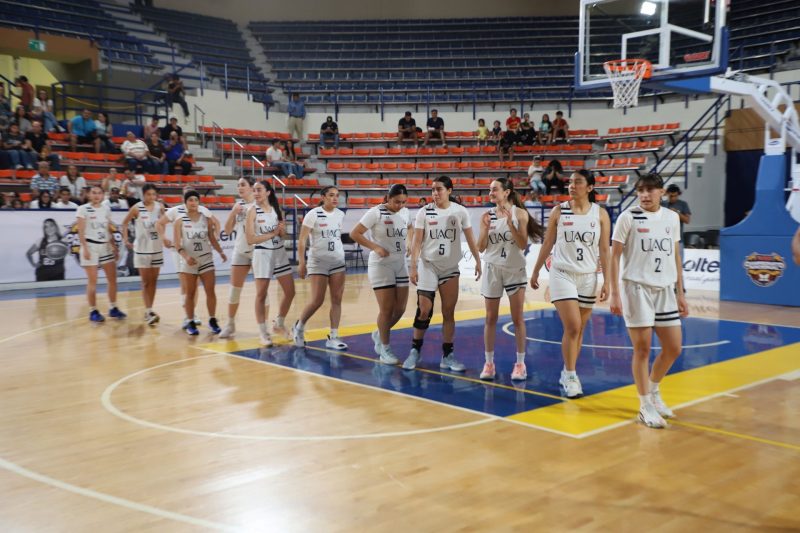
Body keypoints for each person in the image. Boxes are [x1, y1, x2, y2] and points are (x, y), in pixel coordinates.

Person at [609, 172, 688, 429]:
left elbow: (675, 255)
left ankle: (653, 391)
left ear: (661, 192)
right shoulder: (628, 217)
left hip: (665, 289)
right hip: (636, 288)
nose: (644, 195)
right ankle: (644, 406)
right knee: (642, 349)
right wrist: (614, 292)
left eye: (650, 190)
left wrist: (680, 292)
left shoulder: (672, 218)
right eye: (641, 190)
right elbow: (614, 256)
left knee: (673, 347)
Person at [530, 169, 611, 397]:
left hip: (588, 277)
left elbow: (605, 250)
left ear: (590, 187)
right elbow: (548, 243)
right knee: (573, 326)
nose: (572, 185)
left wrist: (607, 282)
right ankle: (572, 375)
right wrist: (535, 271)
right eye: (571, 182)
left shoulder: (600, 214)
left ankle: (567, 372)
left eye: (578, 182)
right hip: (562, 273)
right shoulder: (559, 211)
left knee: (579, 330)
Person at [403, 176, 482, 371]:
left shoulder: (460, 211)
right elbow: (417, 241)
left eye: (439, 189)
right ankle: (415, 351)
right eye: (432, 189)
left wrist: (478, 260)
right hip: (428, 265)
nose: (435, 193)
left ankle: (447, 356)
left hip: (450, 267)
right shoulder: (424, 212)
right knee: (424, 309)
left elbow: (470, 238)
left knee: (448, 312)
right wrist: (413, 266)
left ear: (449, 191)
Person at [478, 178, 544, 381]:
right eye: (490, 190)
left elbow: (523, 244)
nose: (490, 193)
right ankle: (489, 363)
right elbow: (480, 247)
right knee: (490, 318)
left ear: (506, 192)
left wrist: (510, 226)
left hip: (514, 269)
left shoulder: (520, 214)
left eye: (494, 189)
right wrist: (485, 230)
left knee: (517, 318)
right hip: (492, 268)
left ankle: (520, 364)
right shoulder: (486, 215)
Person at [350, 184, 413, 364]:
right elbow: (355, 233)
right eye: (396, 202)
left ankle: (379, 333)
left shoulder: (405, 212)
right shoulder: (375, 212)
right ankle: (384, 349)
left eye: (403, 202)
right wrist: (375, 247)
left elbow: (410, 228)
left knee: (400, 309)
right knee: (386, 310)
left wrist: (409, 241)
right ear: (388, 198)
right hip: (381, 265)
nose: (400, 205)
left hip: (400, 263)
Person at [291, 186, 349, 350]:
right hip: (318, 262)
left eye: (337, 195)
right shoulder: (313, 214)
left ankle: (333, 336)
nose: (335, 198)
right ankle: (299, 327)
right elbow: (302, 240)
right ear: (323, 197)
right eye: (331, 195)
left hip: (338, 261)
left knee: (337, 299)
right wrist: (301, 262)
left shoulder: (340, 214)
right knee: (317, 300)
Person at [245, 179, 295, 346]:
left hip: (279, 252)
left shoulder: (276, 209)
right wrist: (272, 234)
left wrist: (281, 232)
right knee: (261, 294)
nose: (256, 193)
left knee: (290, 291)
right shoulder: (252, 211)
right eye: (254, 190)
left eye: (259, 190)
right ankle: (263, 332)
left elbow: (282, 234)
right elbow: (250, 239)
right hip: (262, 253)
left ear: (268, 192)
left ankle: (279, 323)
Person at [155, 187, 213, 330]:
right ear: (184, 197)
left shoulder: (203, 211)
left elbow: (215, 224)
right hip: (180, 252)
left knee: (195, 285)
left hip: (198, 252)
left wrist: (213, 237)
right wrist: (163, 238)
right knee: (185, 284)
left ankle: (192, 314)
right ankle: (188, 317)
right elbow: (159, 223)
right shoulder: (175, 211)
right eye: (188, 195)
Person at [173, 190, 227, 335]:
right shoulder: (179, 221)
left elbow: (212, 238)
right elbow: (177, 244)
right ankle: (190, 321)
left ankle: (212, 320)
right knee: (190, 293)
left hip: (206, 258)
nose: (193, 202)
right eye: (190, 200)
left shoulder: (206, 219)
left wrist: (221, 252)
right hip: (189, 261)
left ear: (199, 202)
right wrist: (186, 257)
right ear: (185, 203)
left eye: (196, 200)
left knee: (210, 291)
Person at [76, 185, 126, 322]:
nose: (96, 195)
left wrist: (114, 246)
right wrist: (84, 248)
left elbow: (108, 229)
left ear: (103, 195)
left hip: (105, 245)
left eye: (99, 193)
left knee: (112, 279)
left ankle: (113, 308)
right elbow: (80, 231)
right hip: (90, 245)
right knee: (93, 281)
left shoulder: (106, 209)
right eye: (94, 193)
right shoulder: (83, 209)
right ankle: (93, 311)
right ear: (89, 194)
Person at [219, 177, 257, 338]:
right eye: (238, 185)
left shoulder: (260, 205)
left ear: (251, 187)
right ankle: (230, 324)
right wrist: (233, 212)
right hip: (241, 251)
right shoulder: (238, 206)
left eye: (243, 185)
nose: (239, 188)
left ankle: (264, 327)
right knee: (234, 290)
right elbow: (227, 231)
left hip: (258, 251)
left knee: (262, 291)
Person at [121, 184, 164, 325]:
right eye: (148, 194)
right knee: (145, 282)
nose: (151, 197)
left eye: (153, 194)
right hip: (142, 250)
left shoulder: (160, 207)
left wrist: (164, 237)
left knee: (154, 281)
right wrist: (125, 239)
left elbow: (163, 224)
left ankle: (150, 310)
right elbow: (124, 223)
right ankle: (148, 311)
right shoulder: (136, 208)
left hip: (157, 248)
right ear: (143, 195)